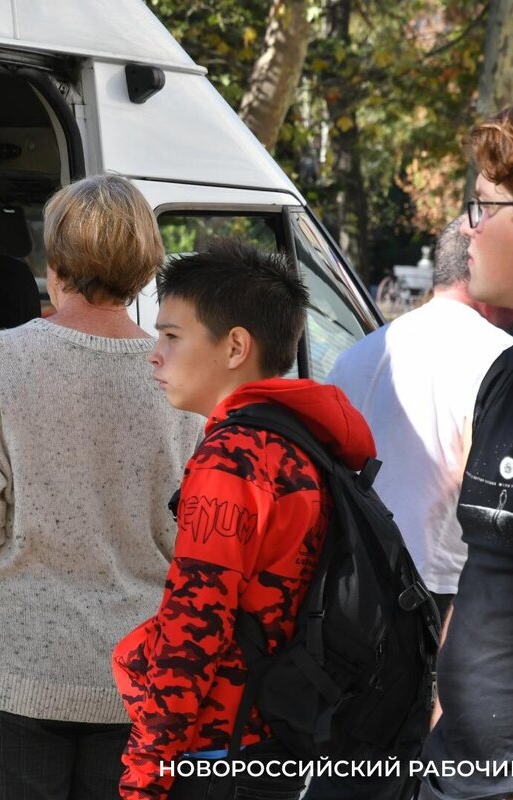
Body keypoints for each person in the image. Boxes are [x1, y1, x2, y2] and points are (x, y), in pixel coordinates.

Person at [0, 174, 203, 799]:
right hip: (142, 685)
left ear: (56, 260)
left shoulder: (1, 359)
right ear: (146, 266)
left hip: (7, 678)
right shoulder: (181, 379)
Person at [113, 239, 375, 800]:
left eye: (171, 336)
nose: (153, 353)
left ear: (235, 346)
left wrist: (145, 774)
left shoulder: (233, 460)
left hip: (218, 751)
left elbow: (195, 628)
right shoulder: (300, 440)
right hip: (284, 739)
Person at [421, 97, 513, 800]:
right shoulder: (506, 368)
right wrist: (444, 711)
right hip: (452, 767)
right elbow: (482, 567)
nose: (465, 228)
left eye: (485, 206)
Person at [327, 217, 513, 620]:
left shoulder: (361, 353)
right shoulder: (503, 361)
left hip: (353, 583)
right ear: (482, 265)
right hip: (449, 591)